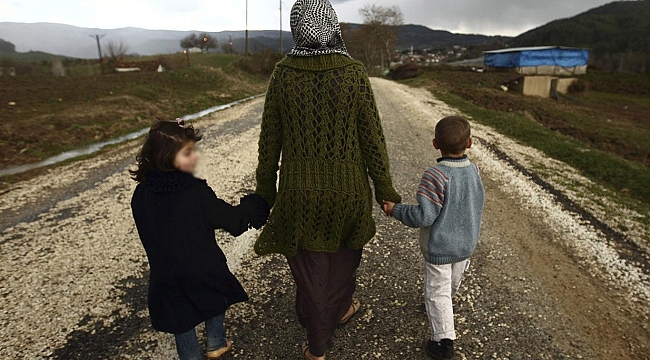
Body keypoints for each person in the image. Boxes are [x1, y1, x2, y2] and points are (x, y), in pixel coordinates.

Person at [254, 0, 402, 358]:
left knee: (309, 270)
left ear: (297, 28)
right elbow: (372, 139)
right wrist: (384, 188)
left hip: (297, 192)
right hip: (348, 192)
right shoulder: (353, 73)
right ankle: (319, 344)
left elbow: (269, 140)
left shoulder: (283, 73)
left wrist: (265, 192)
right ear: (333, 25)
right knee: (341, 265)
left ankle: (320, 318)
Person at [130, 119, 269, 360]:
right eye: (187, 153)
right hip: (204, 267)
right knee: (214, 299)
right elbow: (232, 220)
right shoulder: (194, 192)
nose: (195, 157)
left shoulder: (141, 193)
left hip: (166, 272)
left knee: (180, 319)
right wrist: (253, 205)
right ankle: (216, 343)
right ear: (166, 156)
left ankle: (193, 355)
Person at [383, 116, 485, 360]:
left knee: (437, 291)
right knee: (450, 286)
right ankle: (441, 309)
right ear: (470, 143)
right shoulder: (474, 171)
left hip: (440, 247)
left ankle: (443, 342)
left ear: (434, 144)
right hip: (465, 244)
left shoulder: (436, 175)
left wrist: (395, 210)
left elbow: (423, 216)